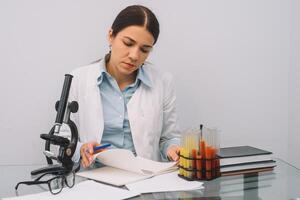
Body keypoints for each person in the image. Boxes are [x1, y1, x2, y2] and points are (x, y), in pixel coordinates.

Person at [69, 5, 181, 168]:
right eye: (128, 43)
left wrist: (173, 148)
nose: (134, 56)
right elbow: (64, 138)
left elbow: (169, 138)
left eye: (144, 49)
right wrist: (81, 149)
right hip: (94, 181)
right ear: (111, 36)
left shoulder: (163, 82)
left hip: (144, 180)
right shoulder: (79, 79)